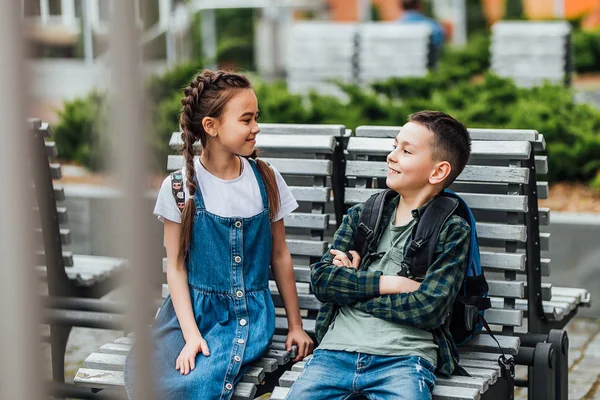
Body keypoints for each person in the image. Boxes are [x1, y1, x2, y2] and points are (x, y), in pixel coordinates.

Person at [124, 69, 313, 399]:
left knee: (197, 381)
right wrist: (192, 334)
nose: (256, 127)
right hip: (189, 313)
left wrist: (295, 325)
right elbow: (177, 268)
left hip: (246, 316)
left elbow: (280, 255)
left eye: (257, 117)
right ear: (211, 126)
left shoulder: (266, 180)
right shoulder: (181, 189)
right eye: (246, 119)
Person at [285, 111, 472, 400]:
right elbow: (323, 281)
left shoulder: (451, 230)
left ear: (437, 172)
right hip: (335, 352)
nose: (392, 156)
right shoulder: (363, 216)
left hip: (403, 359)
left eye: (406, 151)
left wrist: (353, 288)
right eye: (394, 146)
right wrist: (391, 284)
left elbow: (430, 308)